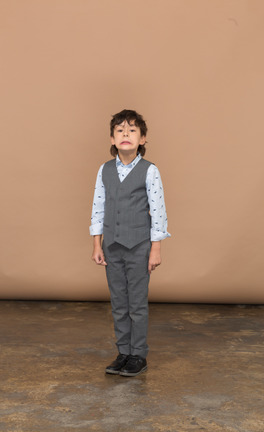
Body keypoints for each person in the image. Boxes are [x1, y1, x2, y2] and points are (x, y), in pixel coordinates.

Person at [90, 109, 170, 377]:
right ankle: (123, 352)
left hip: (138, 247)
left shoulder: (150, 171)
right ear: (112, 139)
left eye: (132, 130)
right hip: (112, 246)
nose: (126, 134)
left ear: (143, 139)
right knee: (119, 303)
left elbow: (158, 212)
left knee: (136, 304)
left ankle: (138, 355)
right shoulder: (105, 170)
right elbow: (98, 208)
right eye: (120, 130)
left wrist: (155, 249)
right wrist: (97, 244)